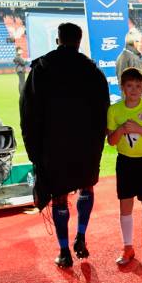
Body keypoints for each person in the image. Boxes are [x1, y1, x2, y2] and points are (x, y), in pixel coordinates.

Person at [20, 23, 110, 269]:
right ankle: (81, 235)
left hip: (53, 146)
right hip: (86, 145)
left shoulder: (41, 69)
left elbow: (28, 113)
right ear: (79, 41)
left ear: (58, 39)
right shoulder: (92, 71)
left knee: (59, 198)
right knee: (86, 187)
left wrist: (34, 152)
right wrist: (96, 144)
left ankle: (63, 251)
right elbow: (104, 109)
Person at [107, 68, 142, 266]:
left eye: (138, 86)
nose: (134, 90)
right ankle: (127, 247)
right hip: (125, 163)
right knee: (125, 206)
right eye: (129, 86)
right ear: (122, 87)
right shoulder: (114, 110)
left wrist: (139, 130)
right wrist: (122, 129)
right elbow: (111, 141)